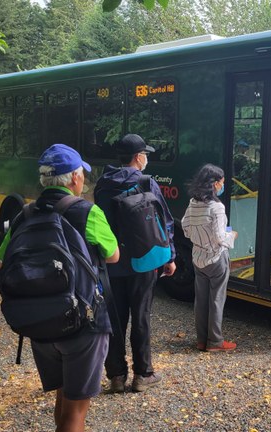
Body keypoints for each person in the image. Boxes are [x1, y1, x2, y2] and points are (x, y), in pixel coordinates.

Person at [0, 143, 120, 432]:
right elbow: (113, 255)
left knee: (63, 399)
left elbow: (0, 264)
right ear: (75, 177)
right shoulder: (88, 212)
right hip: (82, 322)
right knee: (76, 413)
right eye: (82, 175)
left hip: (39, 322)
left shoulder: (24, 215)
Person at [95, 133, 176, 393]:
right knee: (141, 317)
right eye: (146, 155)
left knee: (115, 319)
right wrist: (170, 256)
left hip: (111, 261)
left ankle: (116, 376)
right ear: (138, 157)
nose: (147, 159)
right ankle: (143, 374)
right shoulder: (146, 182)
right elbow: (163, 222)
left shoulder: (103, 185)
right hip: (144, 260)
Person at [181, 164, 238, 352]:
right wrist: (233, 236)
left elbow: (186, 228)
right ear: (214, 184)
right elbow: (220, 237)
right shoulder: (217, 207)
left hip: (198, 257)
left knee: (201, 300)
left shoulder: (193, 203)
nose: (222, 186)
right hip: (216, 259)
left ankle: (201, 340)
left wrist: (200, 239)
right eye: (221, 183)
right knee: (216, 300)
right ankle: (215, 342)